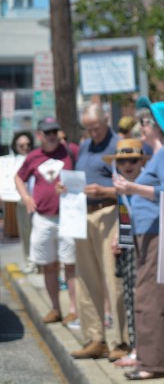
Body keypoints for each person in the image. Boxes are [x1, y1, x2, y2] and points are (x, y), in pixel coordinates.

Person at [113, 97, 164, 380]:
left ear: (158, 126)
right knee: (160, 298)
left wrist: (131, 187)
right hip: (153, 231)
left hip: (156, 232)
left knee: (147, 299)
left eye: (146, 121)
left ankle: (150, 364)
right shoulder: (163, 153)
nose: (141, 125)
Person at [63, 103, 130, 361]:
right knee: (86, 278)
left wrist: (104, 191)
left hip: (109, 211)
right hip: (83, 214)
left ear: (106, 120)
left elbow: (131, 184)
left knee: (114, 279)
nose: (93, 133)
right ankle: (95, 337)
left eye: (97, 128)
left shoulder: (119, 144)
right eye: (89, 129)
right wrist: (65, 188)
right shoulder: (86, 146)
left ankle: (120, 341)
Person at [14, 117, 79, 325]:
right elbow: (18, 177)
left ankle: (74, 309)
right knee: (49, 266)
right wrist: (26, 197)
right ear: (39, 135)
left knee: (70, 265)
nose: (52, 136)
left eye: (55, 131)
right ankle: (55, 308)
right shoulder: (33, 157)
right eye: (48, 132)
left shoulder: (71, 151)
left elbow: (83, 174)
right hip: (43, 218)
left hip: (67, 216)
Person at [105, 138, 149, 368]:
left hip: (144, 244)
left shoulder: (144, 183)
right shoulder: (121, 184)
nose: (128, 164)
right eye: (122, 161)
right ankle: (135, 347)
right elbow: (123, 214)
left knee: (140, 298)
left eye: (133, 159)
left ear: (142, 160)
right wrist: (116, 236)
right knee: (130, 298)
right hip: (128, 244)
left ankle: (140, 349)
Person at [9, 131, 34, 272]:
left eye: (28, 145)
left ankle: (40, 262)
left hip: (37, 203)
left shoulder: (36, 158)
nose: (25, 148)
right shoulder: (10, 162)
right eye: (21, 145)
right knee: (25, 233)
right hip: (20, 203)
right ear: (16, 147)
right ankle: (28, 260)